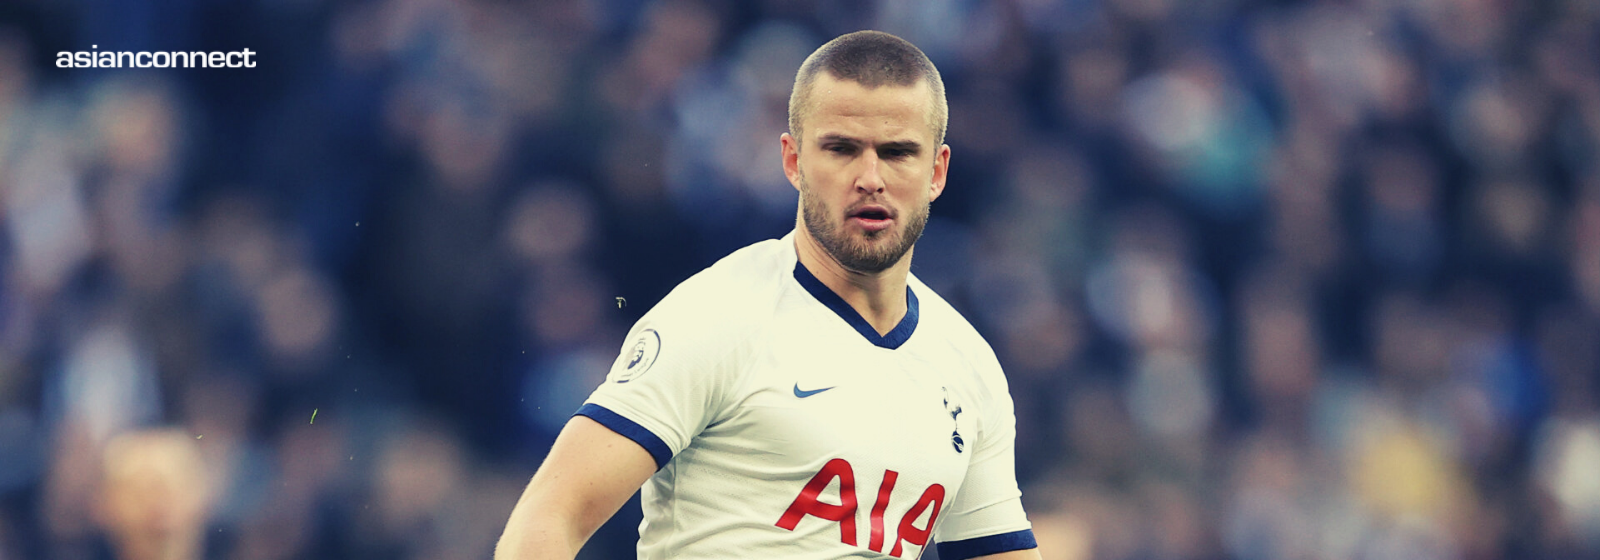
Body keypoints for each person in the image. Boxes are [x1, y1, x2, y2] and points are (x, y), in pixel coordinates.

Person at [496, 30, 1040, 560]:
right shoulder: (718, 317)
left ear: (937, 172)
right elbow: (549, 517)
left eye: (898, 152)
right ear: (793, 161)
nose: (871, 177)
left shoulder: (968, 365)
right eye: (842, 149)